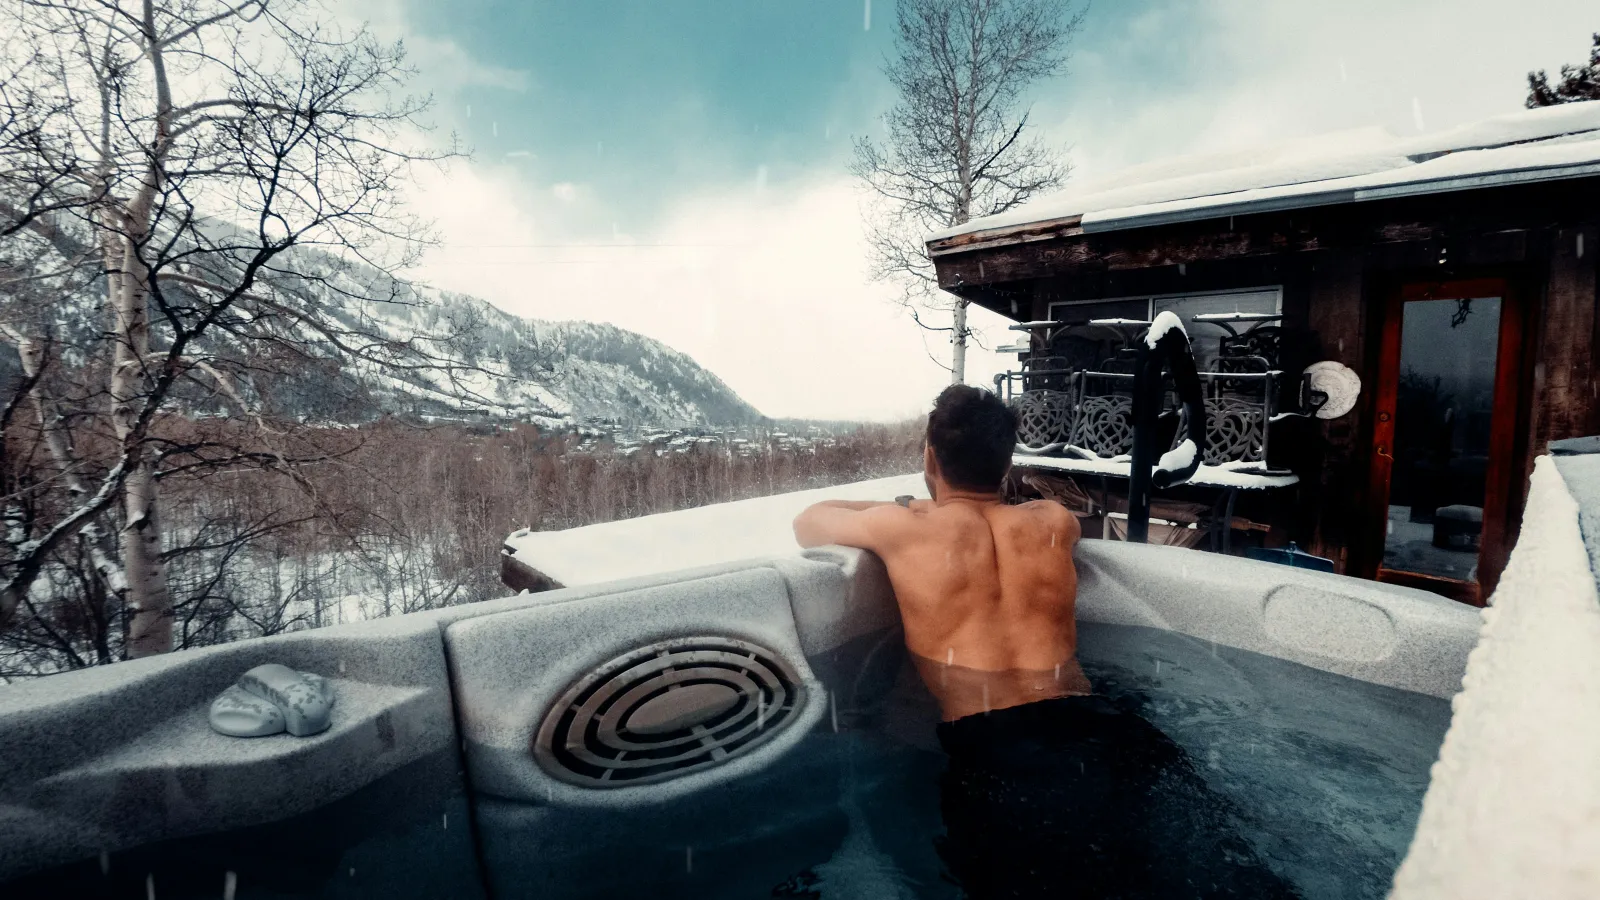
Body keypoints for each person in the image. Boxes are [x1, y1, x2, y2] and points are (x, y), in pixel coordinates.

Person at [791, 385, 1298, 900]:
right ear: (1008, 461)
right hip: (1100, 727)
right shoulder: (1054, 522)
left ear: (929, 456)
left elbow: (808, 521)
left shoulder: (902, 529)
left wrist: (913, 504)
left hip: (996, 747)